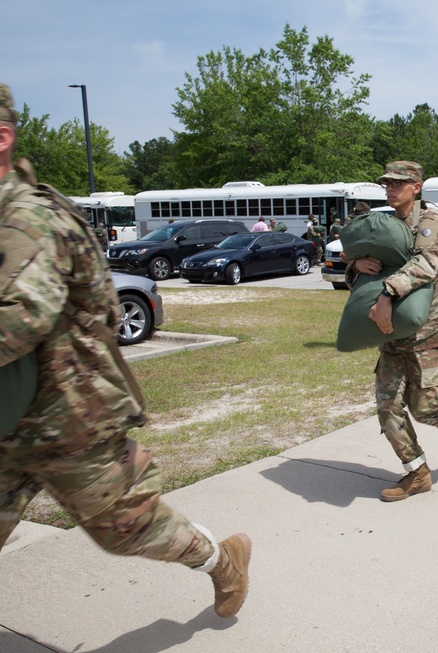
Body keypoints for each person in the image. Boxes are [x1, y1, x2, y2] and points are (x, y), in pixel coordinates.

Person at [0, 83, 251, 618]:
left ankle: (220, 560)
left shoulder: (27, 220)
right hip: (6, 420)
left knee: (126, 529)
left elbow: (21, 319)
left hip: (65, 418)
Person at [347, 161, 438, 502]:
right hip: (391, 331)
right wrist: (355, 265)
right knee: (388, 407)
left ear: (416, 186)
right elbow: (359, 259)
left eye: (398, 183)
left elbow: (427, 264)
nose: (390, 188)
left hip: (429, 329)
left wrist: (387, 292)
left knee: (429, 408)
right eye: (387, 183)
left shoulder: (431, 219)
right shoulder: (383, 223)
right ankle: (417, 472)